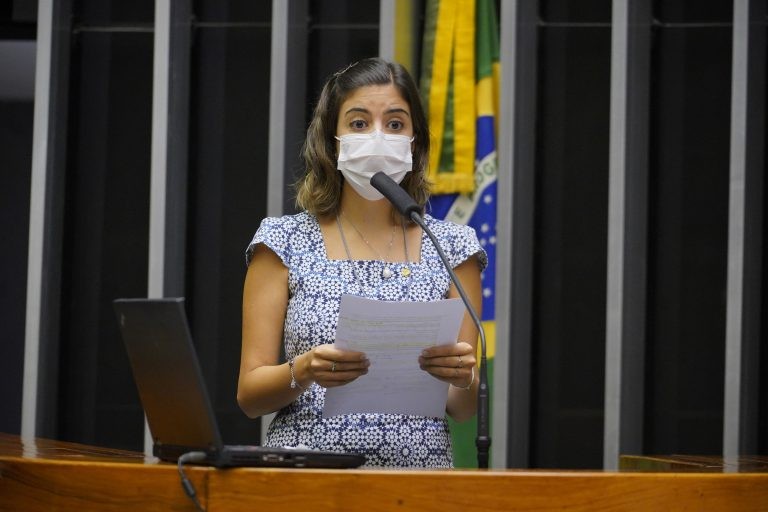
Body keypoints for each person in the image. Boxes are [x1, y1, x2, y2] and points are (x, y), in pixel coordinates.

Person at [237, 57, 487, 468]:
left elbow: (462, 408)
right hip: (307, 475)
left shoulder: (454, 246)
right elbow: (249, 395)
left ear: (415, 140)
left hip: (418, 479)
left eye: (394, 124)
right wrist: (304, 369)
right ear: (331, 140)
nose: (377, 138)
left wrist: (462, 376)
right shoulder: (282, 241)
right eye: (358, 123)